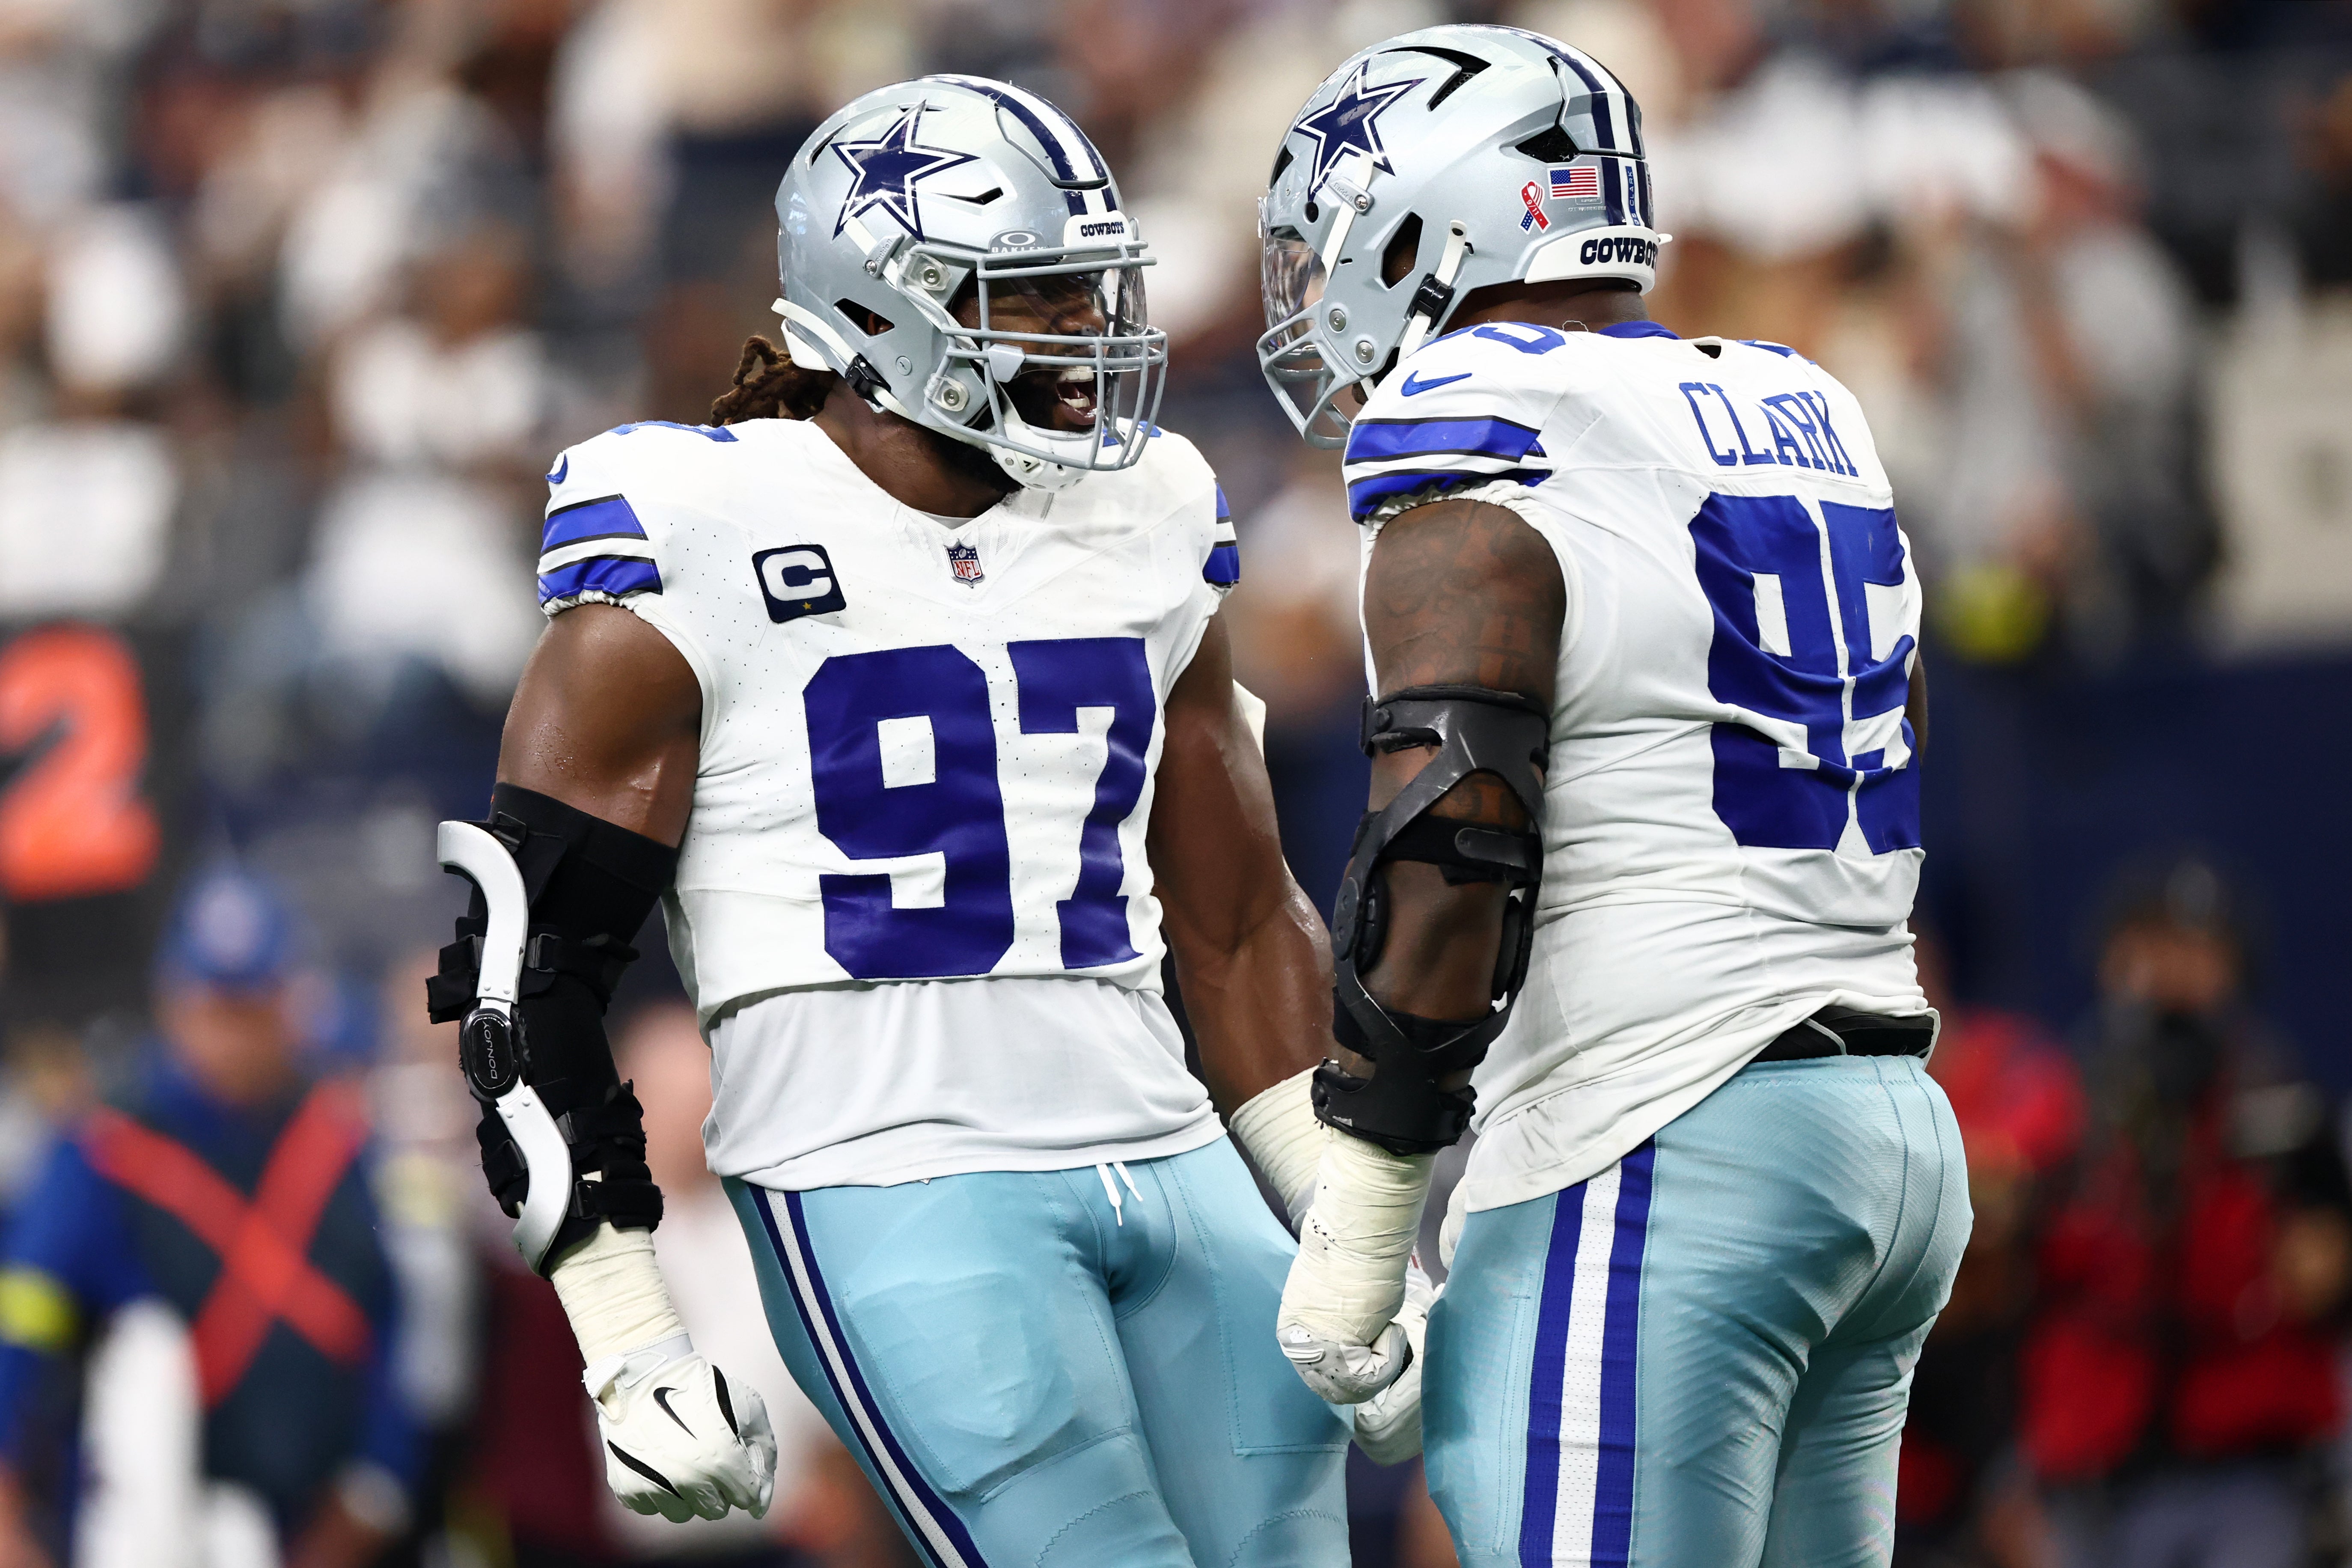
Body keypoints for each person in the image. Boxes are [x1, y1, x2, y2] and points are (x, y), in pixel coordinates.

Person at [425, 72, 1405, 1566]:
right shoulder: (693, 528)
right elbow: (524, 970)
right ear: (881, 308)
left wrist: (1345, 1227)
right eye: (1035, 297)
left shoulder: (1144, 510)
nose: (1086, 332)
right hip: (892, 1174)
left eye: (1090, 290)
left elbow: (1236, 920)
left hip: (1167, 1146)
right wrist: (625, 1333)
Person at [1252, 25, 1972, 1567]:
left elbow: (1453, 841)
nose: (1316, 294)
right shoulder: (1799, 402)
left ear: (1426, 227)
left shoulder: (1479, 415)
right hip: (1889, 1128)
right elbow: (1900, 720)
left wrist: (1367, 1206)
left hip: (1662, 1139)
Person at [0, 867, 419, 1568]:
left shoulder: (340, 1141)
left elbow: (394, 1327)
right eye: (214, 1009)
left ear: (289, 1003)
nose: (233, 1037)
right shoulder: (109, 1147)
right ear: (173, 1003)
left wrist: (376, 1490)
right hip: (143, 1520)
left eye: (252, 1008)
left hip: (311, 1521)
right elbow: (24, 1312)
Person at [2022, 857, 2350, 1568]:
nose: (2172, 975)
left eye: (2198, 951)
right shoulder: (2064, 1114)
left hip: (2246, 1473)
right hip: (2094, 1477)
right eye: (2152, 948)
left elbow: (2325, 1281)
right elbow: (2017, 1294)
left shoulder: (2287, 1117)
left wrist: (2321, 1264)